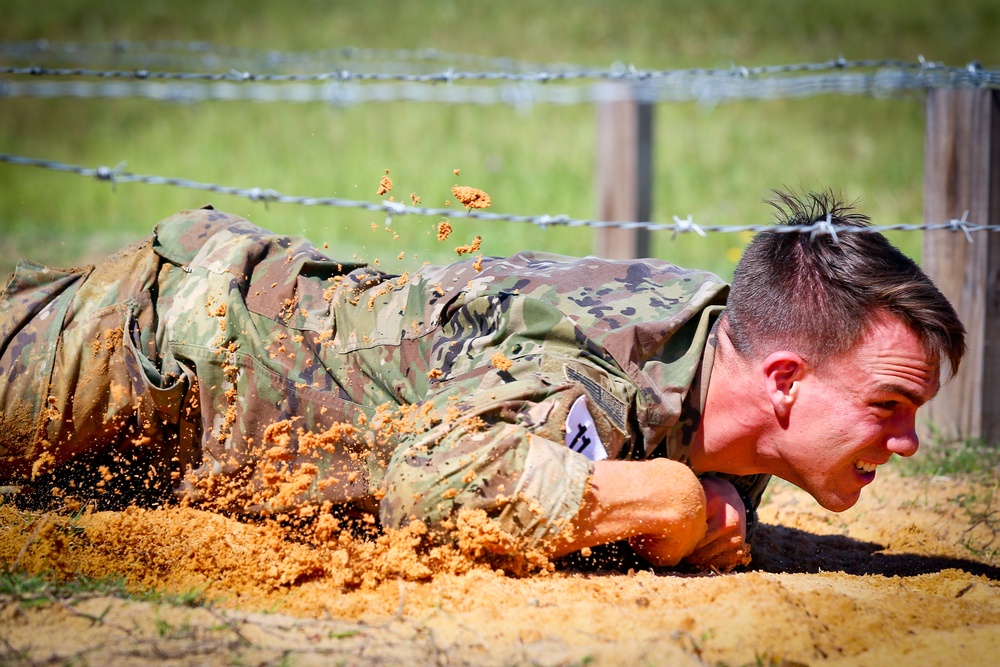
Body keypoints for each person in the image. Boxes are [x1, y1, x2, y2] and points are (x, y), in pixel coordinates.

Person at [0, 190, 965, 572]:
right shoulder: (602, 371)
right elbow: (432, 481)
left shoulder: (728, 363)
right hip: (153, 346)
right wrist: (665, 500)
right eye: (888, 404)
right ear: (785, 379)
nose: (908, 441)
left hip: (193, 436)